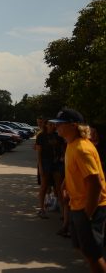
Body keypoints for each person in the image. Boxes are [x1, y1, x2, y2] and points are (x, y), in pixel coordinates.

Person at [53, 108, 106, 272]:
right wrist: (64, 186)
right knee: (82, 248)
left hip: (90, 208)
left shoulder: (82, 149)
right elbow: (74, 172)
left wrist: (87, 214)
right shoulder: (71, 144)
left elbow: (95, 184)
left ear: (73, 125)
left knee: (93, 254)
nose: (57, 127)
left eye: (61, 124)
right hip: (77, 206)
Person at [35, 120, 65, 219]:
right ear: (46, 125)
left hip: (56, 163)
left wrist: (62, 157)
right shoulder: (41, 136)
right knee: (44, 186)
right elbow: (39, 153)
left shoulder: (58, 136)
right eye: (50, 124)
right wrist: (40, 167)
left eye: (54, 124)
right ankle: (41, 209)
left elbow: (63, 149)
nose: (53, 126)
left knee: (59, 187)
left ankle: (64, 212)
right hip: (45, 162)